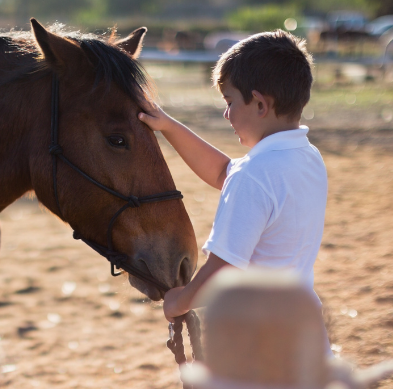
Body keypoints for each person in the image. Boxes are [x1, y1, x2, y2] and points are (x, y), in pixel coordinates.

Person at [138, 30, 327, 325]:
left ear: (260, 105)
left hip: (254, 340)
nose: (227, 114)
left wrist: (180, 301)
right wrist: (168, 126)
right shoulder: (307, 157)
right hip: (303, 327)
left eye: (230, 102)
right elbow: (222, 172)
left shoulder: (253, 175)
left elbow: (224, 269)